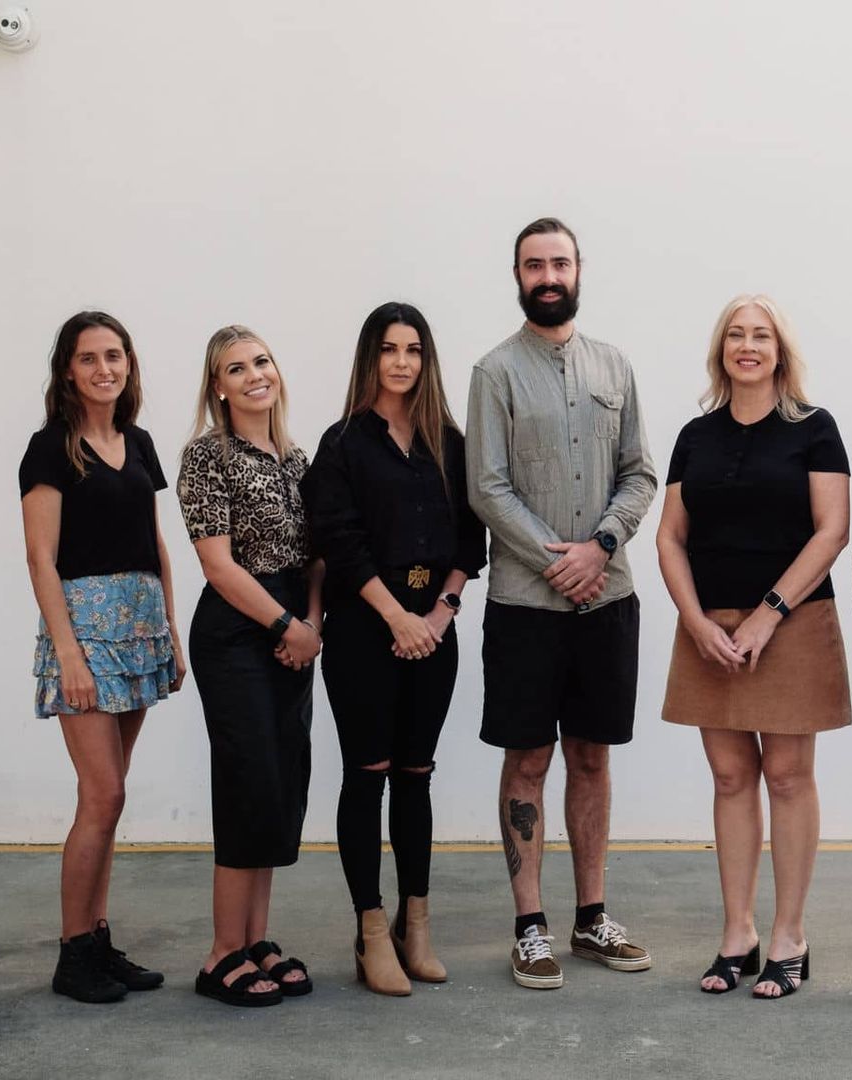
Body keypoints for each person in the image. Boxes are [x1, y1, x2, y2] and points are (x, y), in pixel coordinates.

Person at [466, 218, 660, 990]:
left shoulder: (615, 366)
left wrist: (600, 548)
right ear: (516, 275)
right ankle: (529, 926)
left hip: (607, 598)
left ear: (580, 270)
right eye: (534, 264)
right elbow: (486, 487)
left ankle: (590, 918)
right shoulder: (494, 373)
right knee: (529, 759)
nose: (548, 275)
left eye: (560, 262)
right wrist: (559, 559)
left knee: (590, 756)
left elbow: (641, 472)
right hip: (526, 604)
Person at [655, 295, 852, 999]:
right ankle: (736, 931)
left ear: (779, 350)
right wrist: (695, 620)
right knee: (732, 778)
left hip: (791, 624)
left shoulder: (814, 428)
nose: (747, 346)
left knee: (789, 778)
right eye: (736, 335)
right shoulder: (695, 435)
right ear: (721, 350)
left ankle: (789, 935)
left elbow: (831, 531)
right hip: (711, 629)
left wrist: (769, 612)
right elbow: (670, 537)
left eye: (760, 335)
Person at [304, 302, 487, 996]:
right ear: (370, 358)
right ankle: (370, 931)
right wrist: (395, 617)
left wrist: (439, 613)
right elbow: (338, 542)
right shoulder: (343, 443)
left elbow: (473, 540)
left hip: (434, 630)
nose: (403, 361)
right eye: (389, 349)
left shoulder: (453, 444)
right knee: (367, 773)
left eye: (413, 348)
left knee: (416, 775)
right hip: (363, 631)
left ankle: (418, 925)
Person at [18, 310, 185, 1003]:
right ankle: (71, 954)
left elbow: (156, 543)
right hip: (86, 631)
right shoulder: (50, 447)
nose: (104, 369)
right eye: (89, 358)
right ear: (68, 371)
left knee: (111, 801)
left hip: (140, 628)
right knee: (103, 794)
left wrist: (171, 629)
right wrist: (69, 653)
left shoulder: (139, 442)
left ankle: (97, 938)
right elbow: (40, 555)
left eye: (114, 356)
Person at [178, 325, 322, 1007]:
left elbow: (314, 557)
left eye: (261, 360)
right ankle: (219, 955)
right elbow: (217, 563)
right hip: (240, 632)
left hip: (295, 627)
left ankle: (255, 939)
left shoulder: (295, 458)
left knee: (279, 784)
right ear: (218, 387)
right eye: (235, 368)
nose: (253, 375)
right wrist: (287, 625)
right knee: (246, 782)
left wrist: (312, 623)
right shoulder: (208, 455)